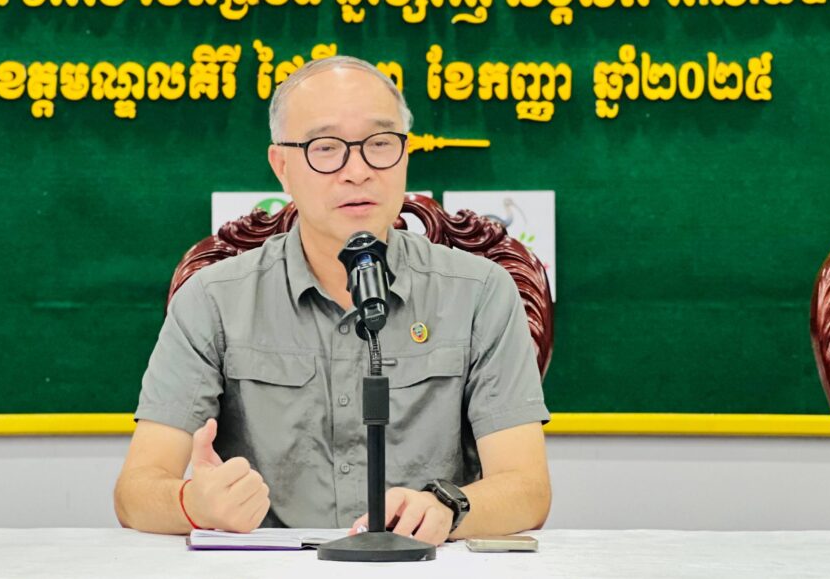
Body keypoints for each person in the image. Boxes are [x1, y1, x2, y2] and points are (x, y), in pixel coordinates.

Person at [114, 56, 551, 545]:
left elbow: (527, 490)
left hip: (417, 567)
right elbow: (135, 492)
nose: (357, 171)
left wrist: (446, 509)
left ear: (405, 155)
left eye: (380, 144)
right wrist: (194, 504)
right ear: (282, 166)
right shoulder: (213, 299)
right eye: (325, 148)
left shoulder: (480, 292)